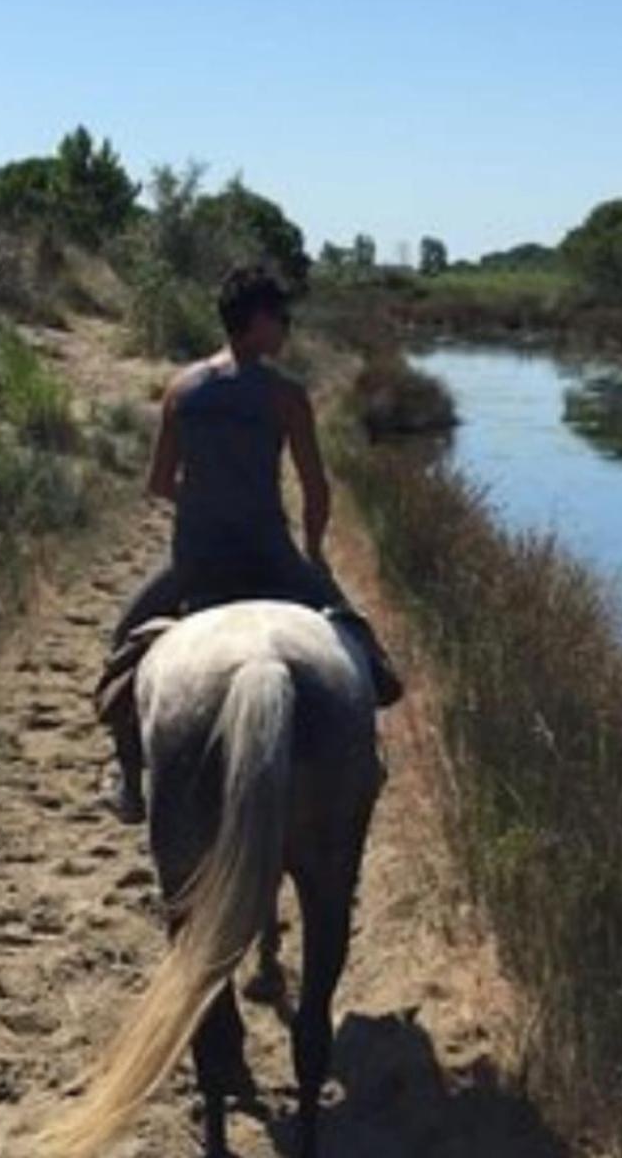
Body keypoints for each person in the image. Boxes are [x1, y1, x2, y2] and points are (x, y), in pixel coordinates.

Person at [94, 264, 402, 824]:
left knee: (122, 647)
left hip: (198, 564)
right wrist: (313, 552)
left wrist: (206, 497)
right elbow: (314, 487)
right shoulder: (286, 396)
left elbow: (159, 483)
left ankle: (128, 779)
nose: (286, 328)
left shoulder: (181, 390)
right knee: (366, 653)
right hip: (271, 560)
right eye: (281, 318)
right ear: (259, 322)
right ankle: (367, 759)